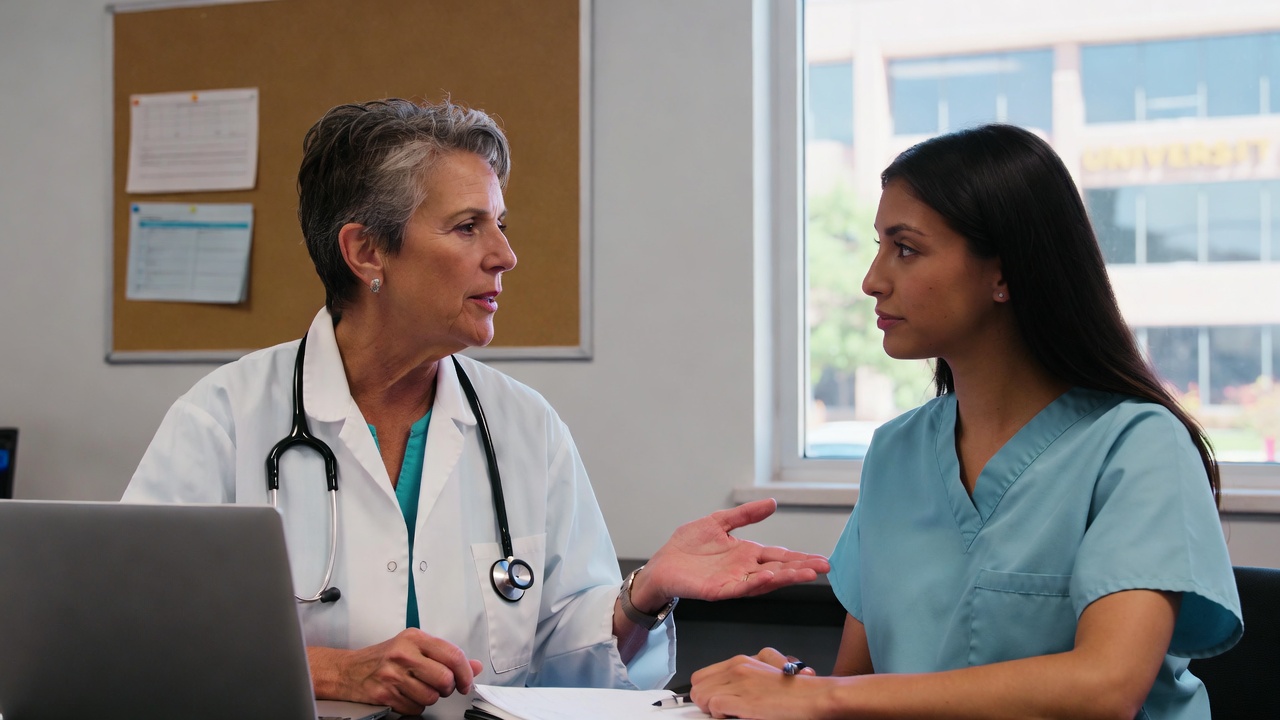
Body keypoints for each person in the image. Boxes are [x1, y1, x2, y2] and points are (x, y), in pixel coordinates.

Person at [122, 98, 830, 716]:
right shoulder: (224, 419)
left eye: (500, 223)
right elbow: (134, 637)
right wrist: (336, 672)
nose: (505, 255)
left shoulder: (525, 428)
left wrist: (641, 596)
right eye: (467, 227)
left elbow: (568, 667)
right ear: (367, 252)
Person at [688, 124, 1242, 719]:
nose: (872, 280)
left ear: (1003, 273)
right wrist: (791, 686)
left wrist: (822, 696)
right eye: (879, 248)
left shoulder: (1138, 448)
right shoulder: (897, 452)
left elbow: (1106, 688)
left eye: (905, 248)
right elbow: (857, 689)